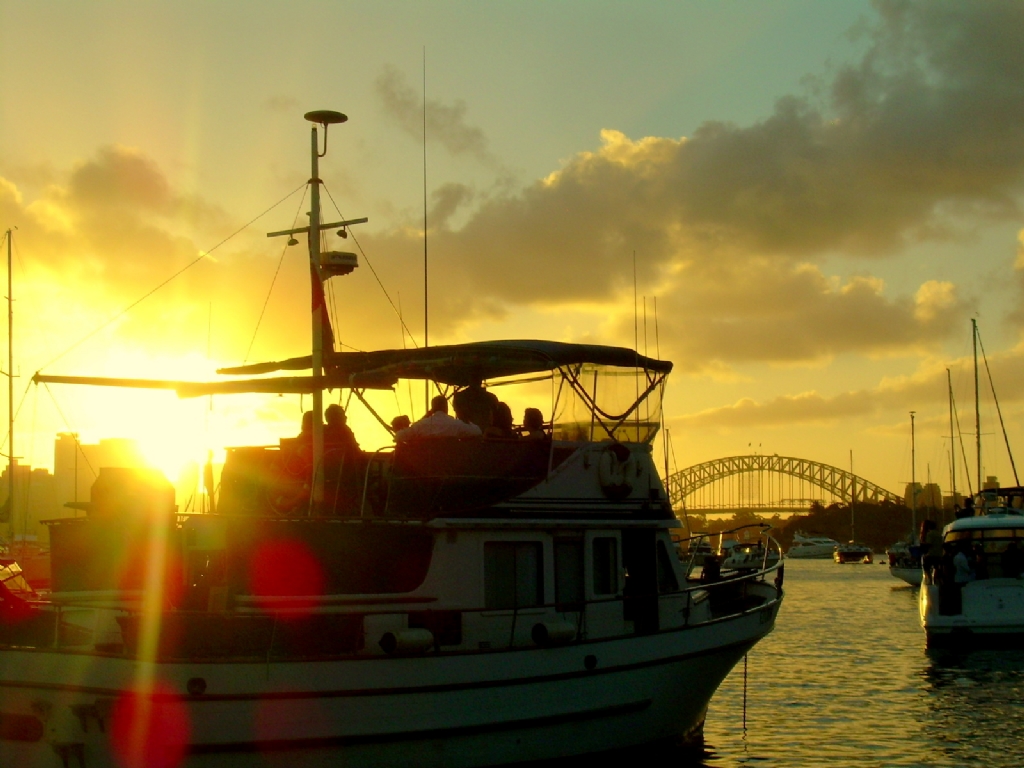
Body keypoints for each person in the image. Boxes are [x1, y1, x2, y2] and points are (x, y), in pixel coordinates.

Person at [397, 395, 482, 440]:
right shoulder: (456, 425)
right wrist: (465, 419)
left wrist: (424, 417)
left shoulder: (421, 425)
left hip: (427, 467)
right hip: (451, 467)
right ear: (446, 408)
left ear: (432, 409)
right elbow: (478, 431)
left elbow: (399, 436)